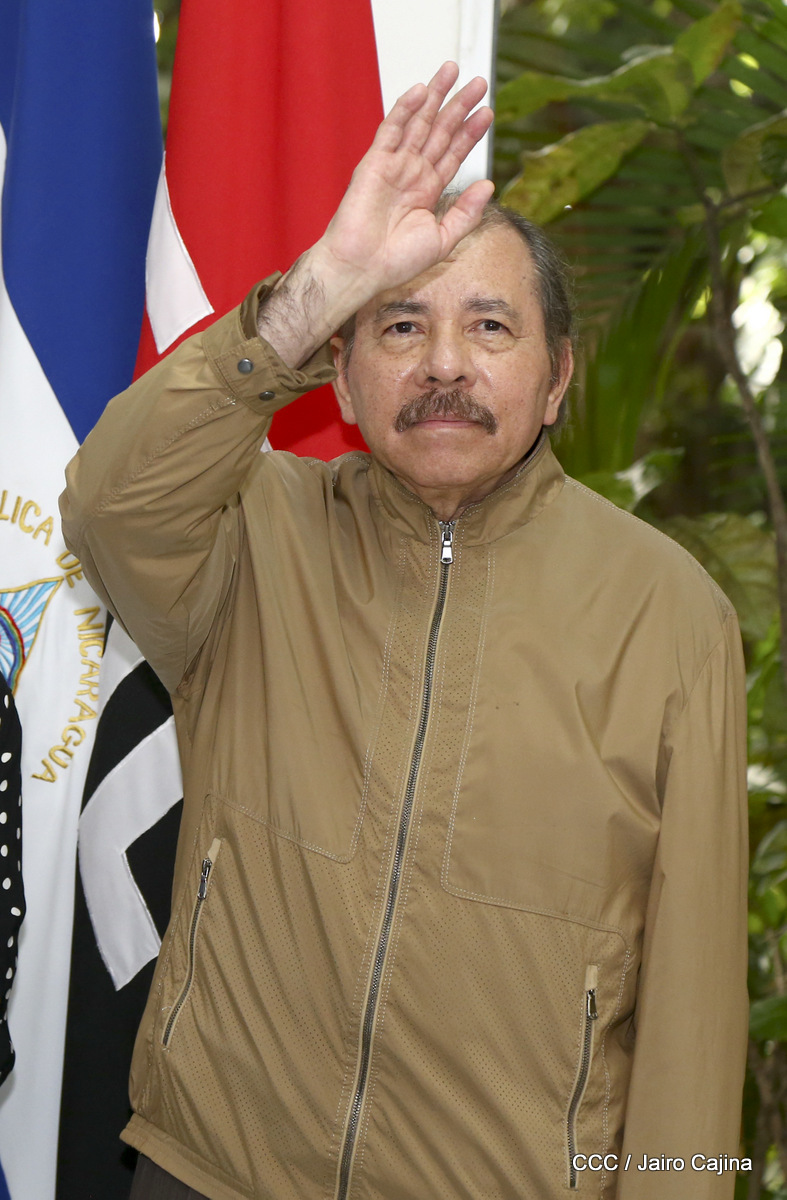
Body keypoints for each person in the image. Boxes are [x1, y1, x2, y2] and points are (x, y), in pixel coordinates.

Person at [61, 63, 749, 1200]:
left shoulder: (670, 613)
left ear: (557, 379)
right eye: (398, 325)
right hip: (212, 1172)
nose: (443, 364)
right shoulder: (251, 532)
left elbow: (693, 1012)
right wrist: (317, 289)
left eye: (490, 326)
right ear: (337, 373)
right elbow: (107, 506)